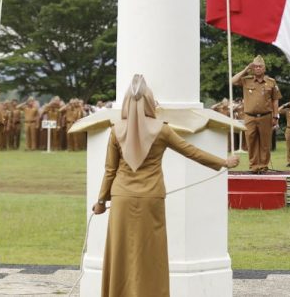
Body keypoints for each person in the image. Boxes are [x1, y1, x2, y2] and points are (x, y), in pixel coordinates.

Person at [92, 75, 239, 297]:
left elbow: (110, 171)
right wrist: (223, 162)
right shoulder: (162, 130)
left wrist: (101, 201)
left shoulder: (116, 130)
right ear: (151, 102)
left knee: (121, 252)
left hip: (121, 198)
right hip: (151, 198)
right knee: (151, 255)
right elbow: (192, 152)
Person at [231, 55, 281, 173]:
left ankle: (263, 166)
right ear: (253, 68)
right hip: (249, 117)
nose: (258, 68)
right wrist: (246, 69)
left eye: (260, 66)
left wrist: (276, 116)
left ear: (264, 68)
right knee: (251, 142)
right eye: (256, 66)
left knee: (265, 143)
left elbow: (275, 100)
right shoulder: (246, 80)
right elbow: (232, 81)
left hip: (266, 116)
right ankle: (254, 167)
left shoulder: (271, 82)